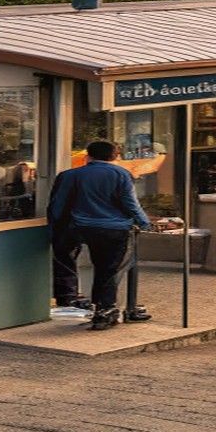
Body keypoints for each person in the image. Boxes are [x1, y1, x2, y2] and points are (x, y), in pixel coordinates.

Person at [48, 140, 152, 330]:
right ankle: (104, 310)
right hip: (114, 229)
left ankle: (68, 298)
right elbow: (130, 204)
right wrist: (145, 222)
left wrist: (56, 227)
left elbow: (58, 205)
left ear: (88, 156)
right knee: (109, 270)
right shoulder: (121, 174)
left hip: (80, 227)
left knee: (65, 259)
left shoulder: (70, 175)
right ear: (115, 156)